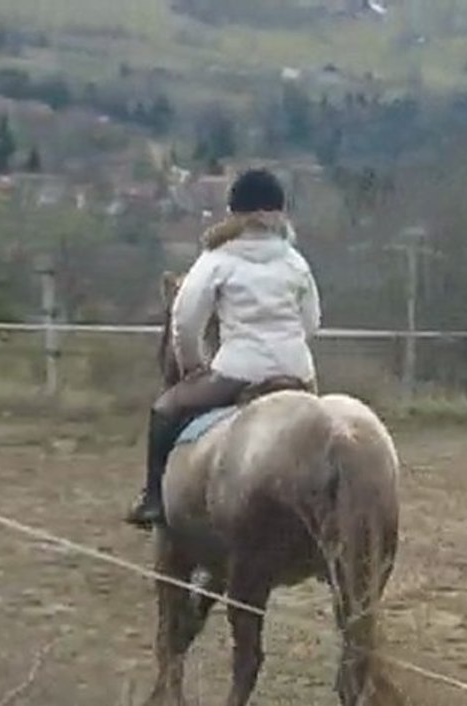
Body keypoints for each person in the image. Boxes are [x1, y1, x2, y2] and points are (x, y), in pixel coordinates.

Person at [125, 168, 321, 527]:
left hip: (237, 372)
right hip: (297, 372)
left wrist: (193, 366)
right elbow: (312, 323)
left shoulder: (217, 259)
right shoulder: (296, 262)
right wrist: (289, 352)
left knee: (165, 411)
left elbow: (185, 320)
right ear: (279, 213)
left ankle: (153, 499)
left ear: (234, 213)